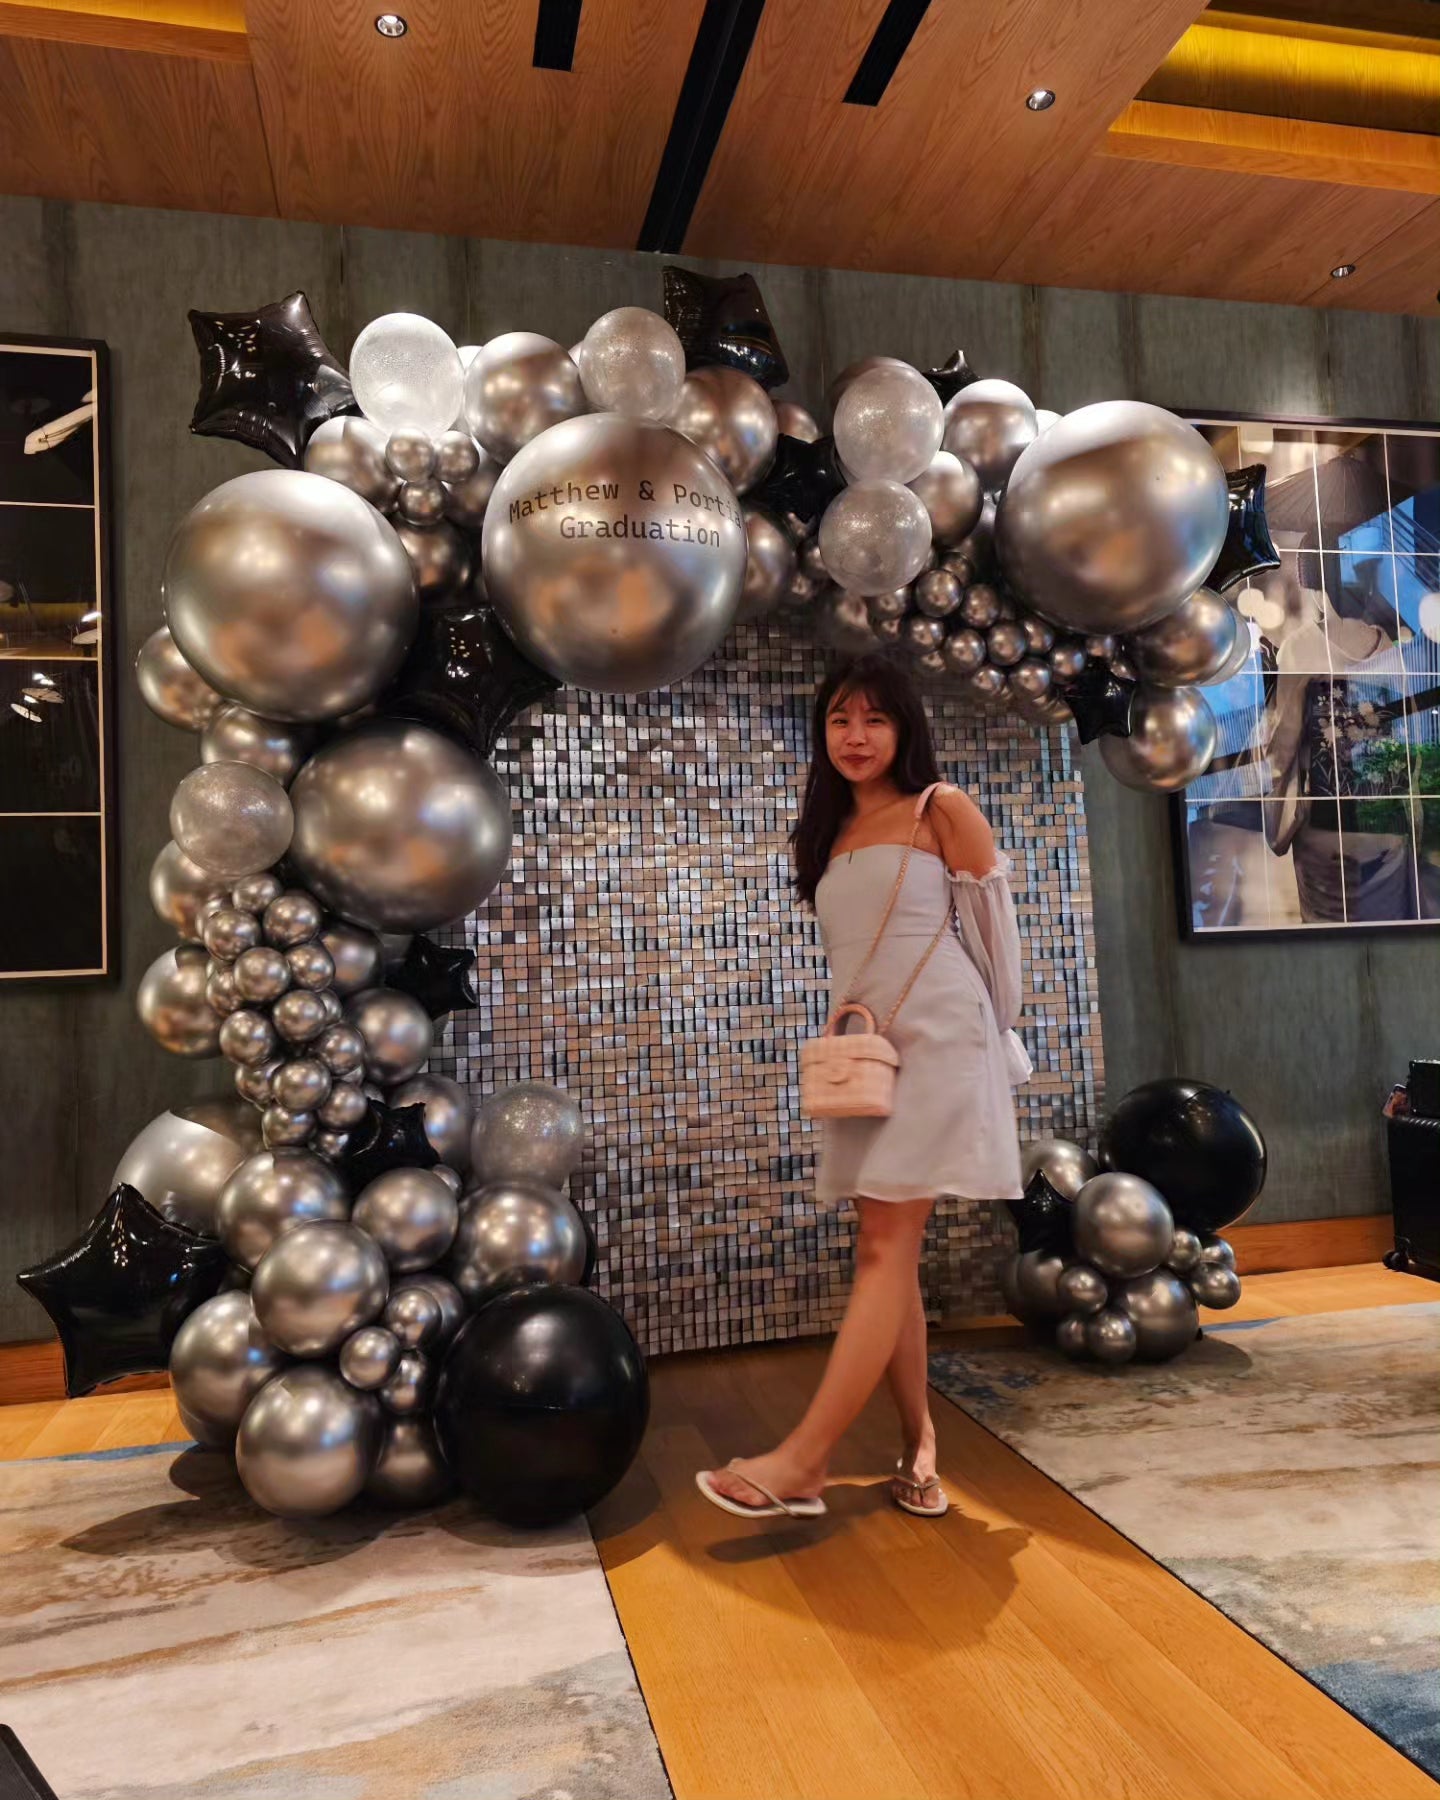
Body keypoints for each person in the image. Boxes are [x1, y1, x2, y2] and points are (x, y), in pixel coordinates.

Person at [696, 653, 1029, 1522]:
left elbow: (999, 945)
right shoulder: (827, 831)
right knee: (886, 1252)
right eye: (841, 718)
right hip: (867, 1054)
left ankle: (803, 1462)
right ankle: (919, 1448)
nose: (856, 736)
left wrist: (998, 1045)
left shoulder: (940, 808)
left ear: (905, 728)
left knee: (886, 1244)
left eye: (876, 719)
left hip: (944, 1040)